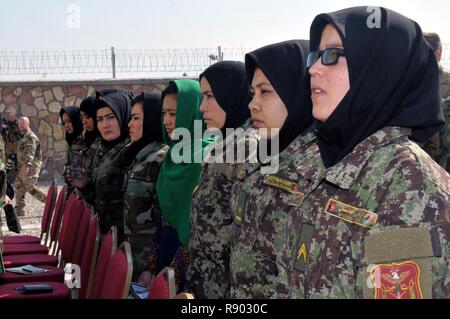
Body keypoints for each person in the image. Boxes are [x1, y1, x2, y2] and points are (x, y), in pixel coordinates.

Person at [286, 6, 450, 299]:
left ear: (379, 69)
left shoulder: (410, 188)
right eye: (316, 55)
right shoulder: (331, 159)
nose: (313, 68)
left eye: (333, 55)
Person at [227, 40, 316, 299]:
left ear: (297, 93)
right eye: (252, 93)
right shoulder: (261, 156)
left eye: (265, 92)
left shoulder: (320, 171)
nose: (252, 104)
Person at [186, 61, 252, 299]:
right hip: (205, 282)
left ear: (231, 94)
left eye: (210, 96)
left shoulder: (248, 148)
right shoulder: (225, 143)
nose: (202, 107)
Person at [140, 80, 213, 290]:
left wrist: (168, 277)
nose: (167, 121)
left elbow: (195, 234)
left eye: (174, 114)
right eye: (164, 114)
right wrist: (151, 268)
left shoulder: (204, 160)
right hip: (164, 264)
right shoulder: (173, 156)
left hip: (188, 276)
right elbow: (163, 221)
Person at [68, 89, 133, 243]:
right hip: (103, 236)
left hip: (126, 243)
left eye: (111, 117)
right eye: (100, 119)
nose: (105, 124)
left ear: (123, 116)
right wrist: (84, 187)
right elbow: (99, 198)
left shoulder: (132, 151)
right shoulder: (102, 147)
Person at [123, 92, 168, 280]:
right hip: (133, 257)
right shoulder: (140, 155)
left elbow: (165, 220)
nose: (129, 124)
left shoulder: (161, 159)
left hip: (149, 265)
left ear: (150, 119)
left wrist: (152, 265)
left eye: (135, 118)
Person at [15, 117, 46, 217]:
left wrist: (27, 165)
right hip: (23, 167)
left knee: (30, 187)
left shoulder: (30, 137)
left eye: (23, 124)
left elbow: (31, 152)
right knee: (19, 186)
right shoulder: (24, 136)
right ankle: (20, 210)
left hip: (31, 166)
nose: (21, 126)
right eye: (19, 125)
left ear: (28, 124)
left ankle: (50, 201)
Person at [60, 105, 84, 198]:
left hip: (80, 192)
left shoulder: (84, 139)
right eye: (64, 122)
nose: (66, 125)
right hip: (72, 188)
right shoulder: (71, 139)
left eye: (69, 121)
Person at [1, 108, 22, 185]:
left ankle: (20, 180)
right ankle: (5, 180)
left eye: (11, 115)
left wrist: (9, 128)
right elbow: (3, 135)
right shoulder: (7, 123)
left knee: (18, 165)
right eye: (9, 115)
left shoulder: (19, 124)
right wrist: (3, 129)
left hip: (17, 147)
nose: (9, 117)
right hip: (8, 148)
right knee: (7, 165)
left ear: (15, 116)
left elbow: (19, 135)